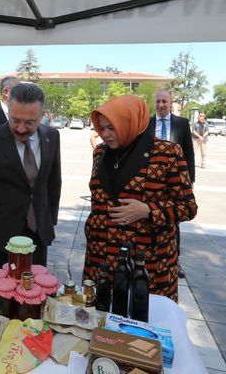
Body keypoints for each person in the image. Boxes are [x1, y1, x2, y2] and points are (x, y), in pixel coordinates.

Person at [83, 95, 197, 302]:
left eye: (112, 128)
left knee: (142, 327)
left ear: (129, 123)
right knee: (100, 324)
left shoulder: (167, 153)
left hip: (147, 267)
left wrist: (148, 210)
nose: (105, 134)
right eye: (101, 128)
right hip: (101, 259)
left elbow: (188, 207)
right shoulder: (100, 153)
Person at [0, 83, 62, 268]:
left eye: (29, 122)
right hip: (1, 233)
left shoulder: (52, 136)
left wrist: (49, 220)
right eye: (15, 120)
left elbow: (54, 182)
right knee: (1, 292)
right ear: (8, 112)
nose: (21, 128)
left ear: (42, 116)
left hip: (38, 232)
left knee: (35, 289)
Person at [148, 89, 195, 279]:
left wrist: (189, 181)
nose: (161, 105)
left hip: (175, 179)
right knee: (154, 217)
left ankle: (175, 261)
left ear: (170, 103)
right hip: (153, 180)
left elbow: (189, 153)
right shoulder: (147, 123)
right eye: (158, 101)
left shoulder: (181, 124)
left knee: (173, 220)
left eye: (164, 102)